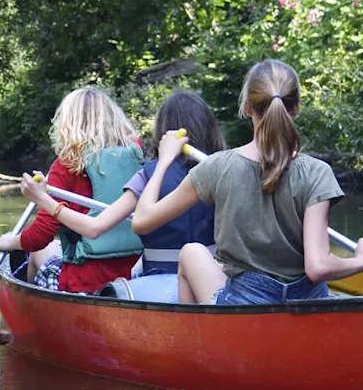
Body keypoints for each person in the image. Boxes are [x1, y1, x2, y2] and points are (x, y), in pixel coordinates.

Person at [133, 59, 363, 304]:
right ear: (296, 106)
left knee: (191, 252)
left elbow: (142, 222)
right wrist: (362, 260)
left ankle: (193, 342)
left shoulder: (217, 166)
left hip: (244, 303)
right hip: (306, 301)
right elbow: (317, 268)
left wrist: (164, 160)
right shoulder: (317, 172)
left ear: (246, 107)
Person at [14, 89, 225, 302]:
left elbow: (94, 228)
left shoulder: (147, 175)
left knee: (41, 257)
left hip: (156, 283)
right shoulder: (226, 172)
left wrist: (42, 199)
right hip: (210, 281)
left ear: (163, 132)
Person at [0, 86, 143, 293]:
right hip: (133, 278)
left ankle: (27, 307)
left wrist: (11, 241)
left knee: (37, 252)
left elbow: (40, 236)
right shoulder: (137, 156)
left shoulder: (66, 165)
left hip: (83, 282)